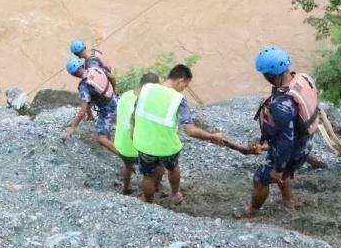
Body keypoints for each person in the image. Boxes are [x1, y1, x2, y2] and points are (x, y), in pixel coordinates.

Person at [131, 64, 252, 204]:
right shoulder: (178, 99)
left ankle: (148, 202)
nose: (184, 89)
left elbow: (135, 113)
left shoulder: (146, 88)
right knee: (173, 168)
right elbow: (190, 130)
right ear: (181, 80)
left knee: (147, 176)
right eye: (185, 86)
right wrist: (212, 136)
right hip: (166, 147)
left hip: (144, 143)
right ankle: (175, 194)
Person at [241, 46, 320, 218]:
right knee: (285, 170)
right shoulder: (302, 78)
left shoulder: (282, 104)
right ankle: (288, 201)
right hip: (306, 141)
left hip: (294, 148)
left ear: (271, 75)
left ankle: (251, 212)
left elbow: (286, 142)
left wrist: (277, 168)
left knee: (261, 179)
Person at [114, 72, 160, 195]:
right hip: (136, 147)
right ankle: (154, 187)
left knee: (128, 165)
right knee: (156, 166)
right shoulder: (146, 102)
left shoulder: (125, 95)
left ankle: (126, 187)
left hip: (120, 144)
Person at [61, 58, 118, 155]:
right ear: (82, 65)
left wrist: (72, 127)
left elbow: (83, 110)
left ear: (74, 74)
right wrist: (114, 91)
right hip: (116, 99)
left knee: (101, 138)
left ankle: (125, 157)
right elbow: (112, 77)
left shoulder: (84, 86)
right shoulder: (95, 68)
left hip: (108, 111)